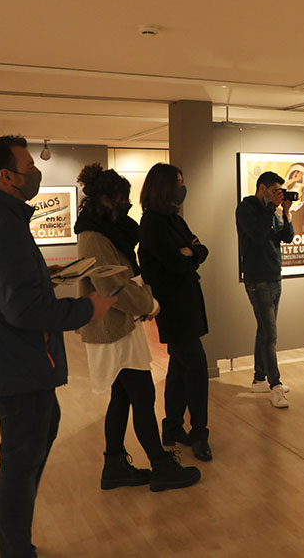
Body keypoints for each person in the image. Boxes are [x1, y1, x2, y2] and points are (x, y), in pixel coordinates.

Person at [0, 135, 116, 558]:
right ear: (7, 176)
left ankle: (9, 536)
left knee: (34, 438)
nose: (35, 173)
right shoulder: (3, 226)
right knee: (21, 460)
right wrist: (86, 310)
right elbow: (21, 308)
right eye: (28, 166)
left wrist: (46, 275)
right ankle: (13, 547)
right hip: (14, 362)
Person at [74, 163, 201, 492]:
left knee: (123, 396)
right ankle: (160, 466)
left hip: (119, 325)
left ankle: (114, 464)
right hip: (112, 327)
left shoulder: (105, 230)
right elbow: (112, 284)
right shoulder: (93, 236)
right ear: (106, 199)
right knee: (142, 394)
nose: (125, 206)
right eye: (120, 199)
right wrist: (149, 304)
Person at [137, 163, 214, 460]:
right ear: (164, 187)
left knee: (181, 367)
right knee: (195, 367)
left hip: (188, 302)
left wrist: (190, 252)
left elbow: (200, 250)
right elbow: (174, 263)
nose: (182, 187)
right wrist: (188, 254)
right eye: (178, 182)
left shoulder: (174, 220)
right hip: (173, 306)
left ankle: (171, 427)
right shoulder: (153, 223)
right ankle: (198, 433)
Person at [236, 171, 294, 409]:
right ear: (262, 188)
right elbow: (258, 235)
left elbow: (287, 237)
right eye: (274, 191)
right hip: (257, 279)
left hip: (274, 276)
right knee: (270, 334)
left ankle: (260, 378)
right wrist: (271, 207)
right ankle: (275, 385)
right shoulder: (246, 209)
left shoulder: (273, 212)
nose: (277, 195)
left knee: (264, 331)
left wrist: (286, 212)